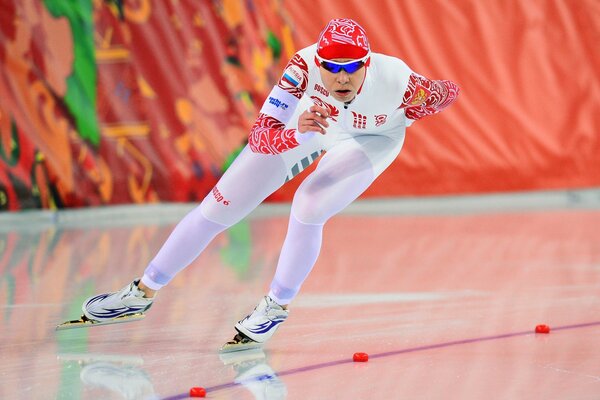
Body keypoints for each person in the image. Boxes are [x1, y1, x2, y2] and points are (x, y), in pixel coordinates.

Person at [78, 18, 460, 351]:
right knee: (218, 206)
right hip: (309, 125)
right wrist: (297, 132)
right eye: (331, 67)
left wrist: (411, 112)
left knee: (308, 204)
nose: (341, 78)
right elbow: (261, 136)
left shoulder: (399, 81)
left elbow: (448, 93)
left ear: (367, 64)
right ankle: (141, 292)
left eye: (352, 68)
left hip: (371, 139)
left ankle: (275, 306)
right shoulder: (301, 67)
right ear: (318, 62)